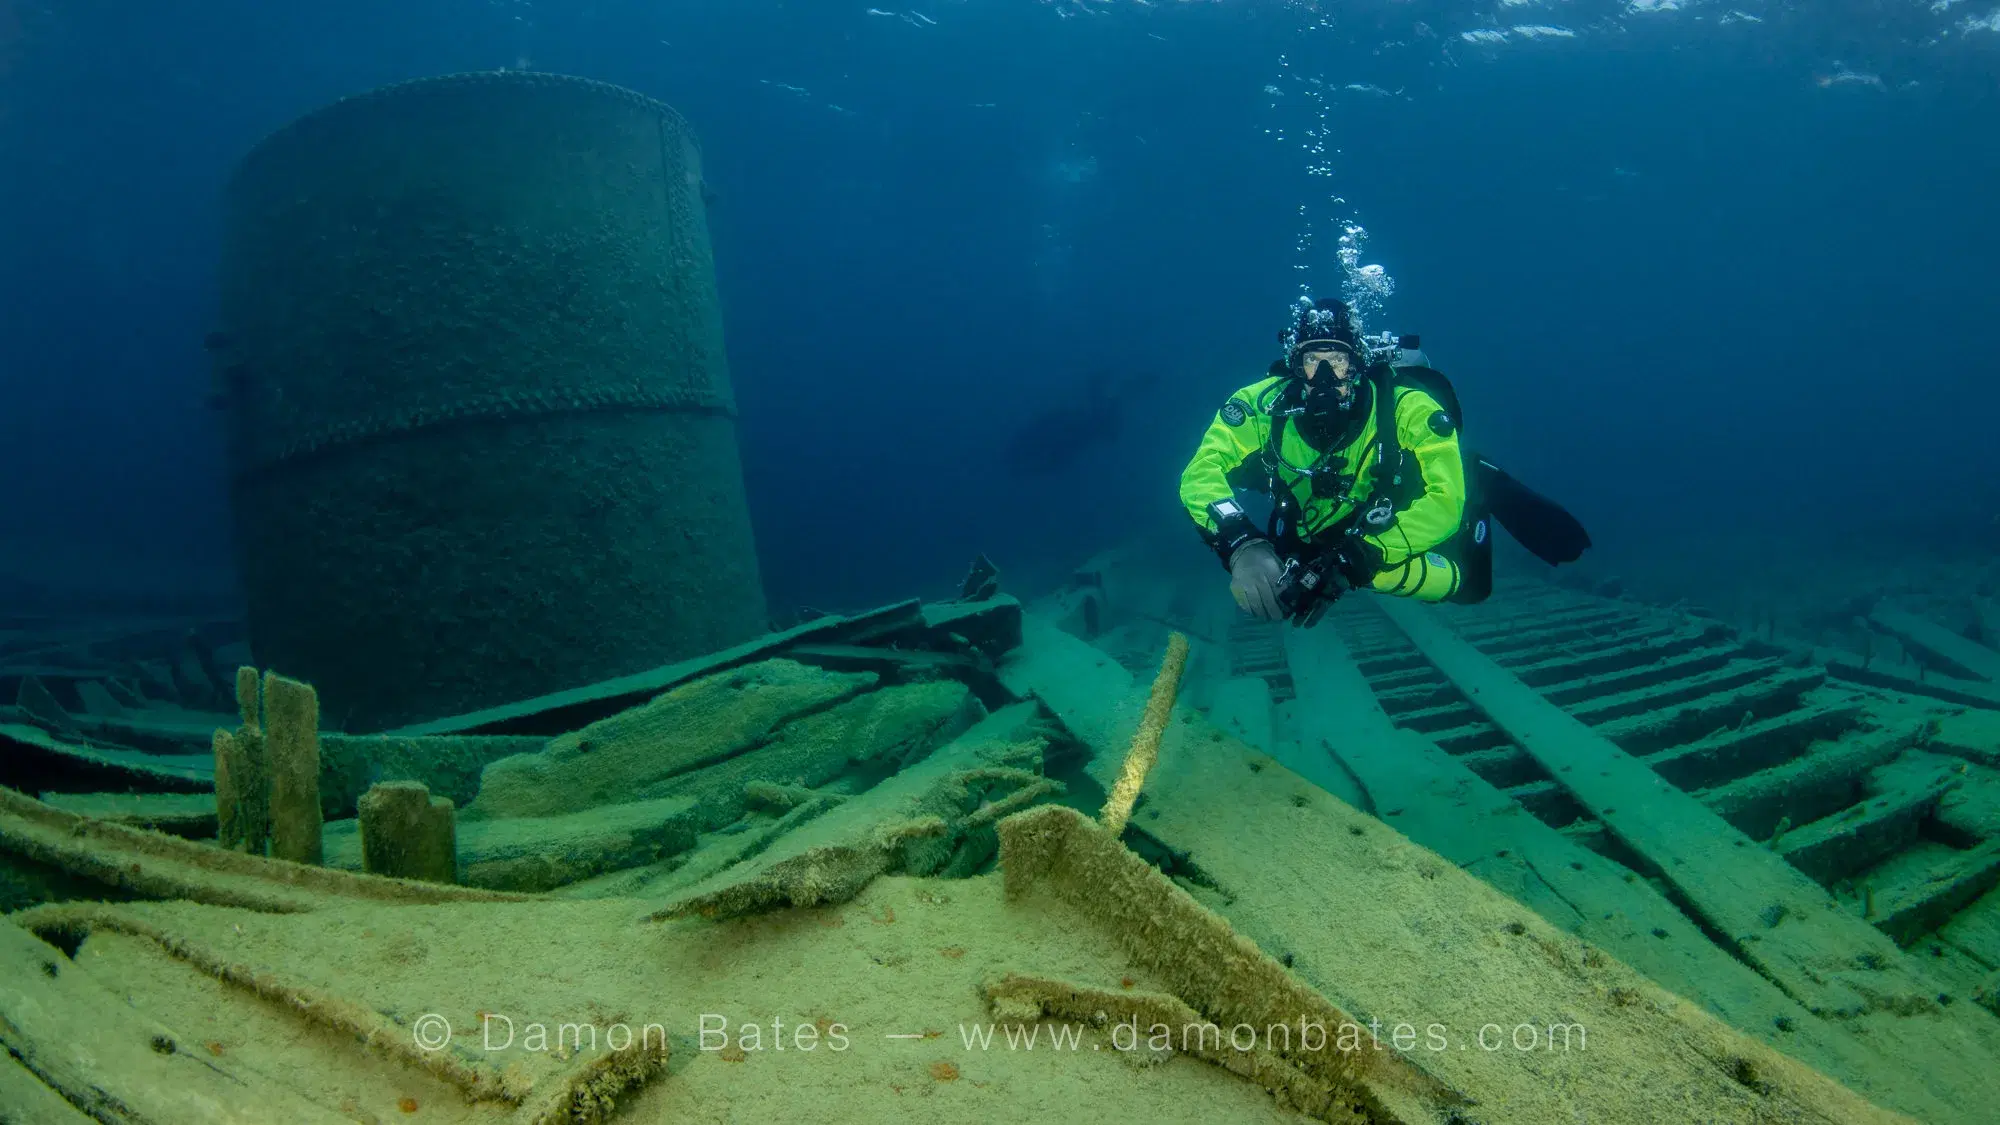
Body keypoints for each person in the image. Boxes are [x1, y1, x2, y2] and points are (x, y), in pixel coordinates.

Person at [1179, 295, 1588, 623]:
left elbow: (1443, 501)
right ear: (1294, 367)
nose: (1323, 377)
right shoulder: (1259, 405)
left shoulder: (1409, 408)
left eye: (1336, 362)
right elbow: (1202, 473)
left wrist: (1357, 559)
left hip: (1392, 495)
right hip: (1316, 511)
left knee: (1470, 586)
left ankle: (1478, 479)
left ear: (1356, 365)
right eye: (1311, 361)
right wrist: (1241, 543)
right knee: (1294, 561)